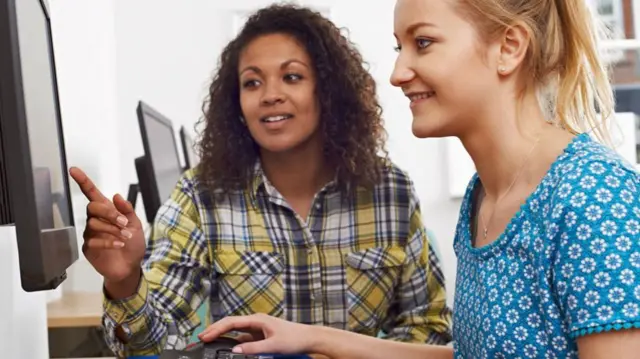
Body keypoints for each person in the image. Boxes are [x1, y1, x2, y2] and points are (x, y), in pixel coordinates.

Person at [199, 0, 640, 358]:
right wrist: (314, 338)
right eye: (399, 48)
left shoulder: (593, 197)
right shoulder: (484, 195)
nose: (397, 74)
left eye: (423, 43)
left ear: (509, 47)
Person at [68, 4, 453, 358]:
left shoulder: (390, 193)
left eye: (291, 77)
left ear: (328, 91)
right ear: (235, 102)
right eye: (252, 83)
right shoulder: (201, 197)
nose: (270, 95)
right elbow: (153, 345)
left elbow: (428, 329)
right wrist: (125, 281)